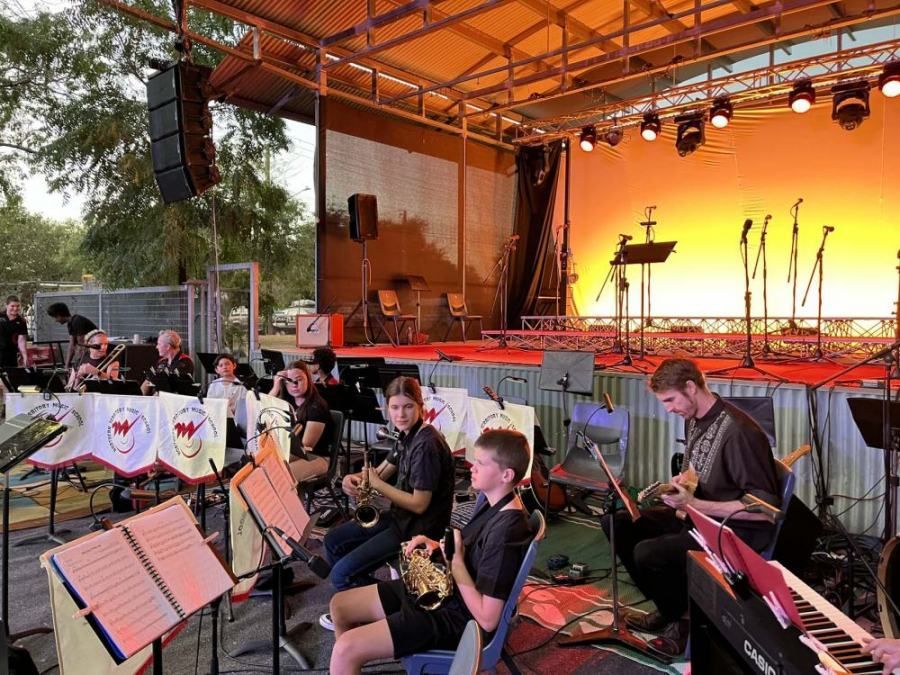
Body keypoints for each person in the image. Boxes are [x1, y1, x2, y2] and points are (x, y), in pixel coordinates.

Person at [601, 358, 780, 656]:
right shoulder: (694, 417)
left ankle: (682, 622)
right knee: (616, 524)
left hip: (735, 532)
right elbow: (705, 471)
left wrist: (695, 503)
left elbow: (765, 511)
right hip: (698, 516)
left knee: (648, 553)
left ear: (690, 387)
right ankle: (670, 609)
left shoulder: (740, 433)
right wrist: (684, 483)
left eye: (670, 400)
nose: (669, 408)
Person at [328, 429, 534, 675]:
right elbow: (471, 551)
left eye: (480, 462)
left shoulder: (507, 531)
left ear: (506, 475)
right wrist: (438, 545)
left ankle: (353, 657)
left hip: (458, 619)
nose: (472, 467)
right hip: (446, 593)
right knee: (339, 606)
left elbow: (487, 619)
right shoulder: (493, 502)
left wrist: (455, 564)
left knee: (345, 649)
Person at [321, 376, 454, 613]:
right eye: (395, 407)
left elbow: (420, 504)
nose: (400, 414)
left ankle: (399, 605)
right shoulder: (406, 434)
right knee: (333, 541)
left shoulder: (426, 445)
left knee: (341, 576)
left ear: (421, 407)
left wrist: (376, 484)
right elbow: (381, 471)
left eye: (408, 407)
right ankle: (363, 600)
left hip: (417, 529)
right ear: (387, 407)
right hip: (399, 518)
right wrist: (352, 480)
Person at [269, 360, 334, 482]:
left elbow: (306, 446)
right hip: (292, 452)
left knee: (280, 476)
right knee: (262, 469)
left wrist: (279, 458)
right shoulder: (286, 402)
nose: (294, 384)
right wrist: (275, 387)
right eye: (289, 381)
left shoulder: (316, 407)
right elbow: (264, 413)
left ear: (308, 381)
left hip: (316, 456)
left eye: (299, 379)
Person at [141, 329, 194, 395]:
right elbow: (147, 382)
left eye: (159, 344)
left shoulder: (185, 361)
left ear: (168, 347)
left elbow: (173, 387)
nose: (157, 347)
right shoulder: (162, 362)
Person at [46, 302, 97, 370]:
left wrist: (79, 365)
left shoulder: (77, 321)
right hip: (88, 354)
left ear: (59, 314)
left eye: (55, 317)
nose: (56, 320)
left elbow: (81, 346)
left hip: (95, 353)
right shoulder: (70, 324)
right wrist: (66, 365)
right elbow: (71, 346)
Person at [0, 295, 29, 368]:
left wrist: (25, 356)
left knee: (10, 376)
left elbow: (21, 341)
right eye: (12, 306)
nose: (15, 308)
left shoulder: (21, 321)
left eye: (18, 306)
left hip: (11, 354)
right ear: (6, 306)